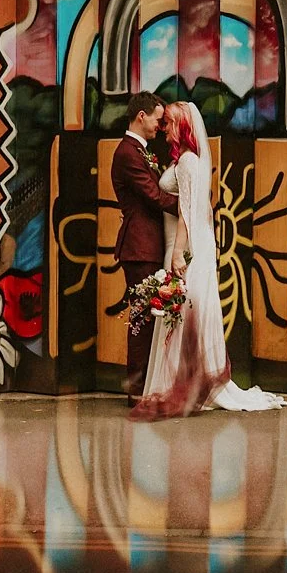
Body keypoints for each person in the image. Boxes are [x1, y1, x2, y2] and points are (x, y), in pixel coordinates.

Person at [132, 103, 287, 420]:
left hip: (186, 241)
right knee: (188, 309)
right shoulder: (190, 160)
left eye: (170, 123)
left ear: (182, 126)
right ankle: (189, 380)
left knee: (186, 308)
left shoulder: (188, 162)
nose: (165, 128)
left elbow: (187, 212)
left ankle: (184, 384)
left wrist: (179, 251)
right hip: (194, 239)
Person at [110, 92, 179, 402]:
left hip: (147, 246)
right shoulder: (128, 153)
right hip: (139, 247)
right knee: (142, 318)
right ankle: (137, 391)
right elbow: (153, 195)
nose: (159, 126)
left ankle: (145, 386)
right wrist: (188, 206)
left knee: (148, 317)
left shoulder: (139, 150)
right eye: (157, 120)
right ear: (141, 116)